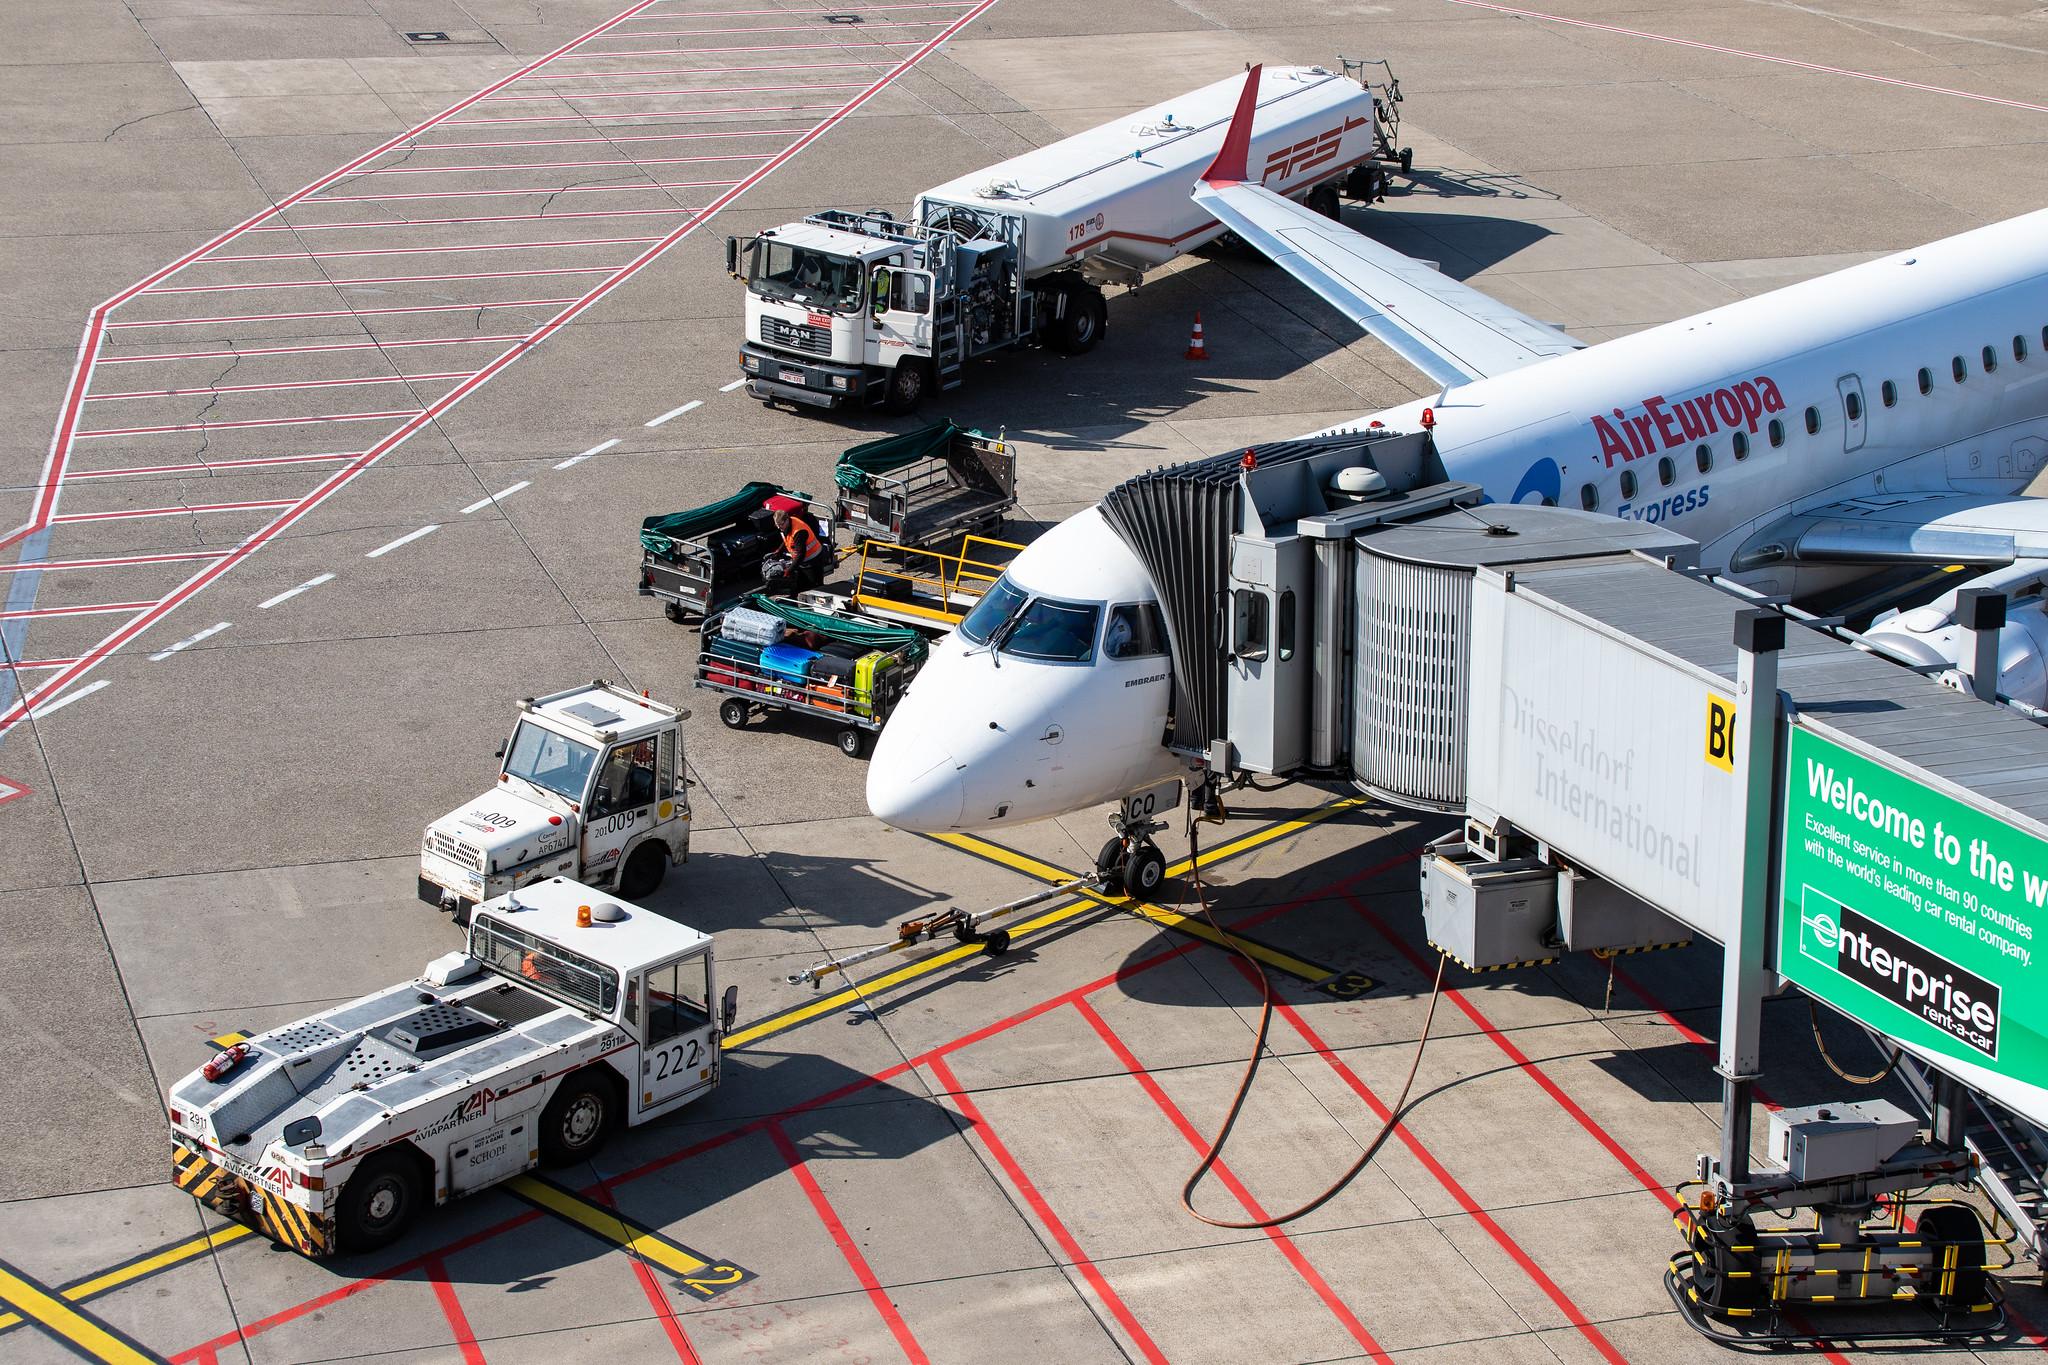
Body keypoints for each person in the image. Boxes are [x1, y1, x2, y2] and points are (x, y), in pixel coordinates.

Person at [766, 507, 827, 592]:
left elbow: (801, 554)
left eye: (781, 524)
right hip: (803, 561)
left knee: (815, 587)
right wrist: (779, 550)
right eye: (777, 525)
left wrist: (789, 570)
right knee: (800, 586)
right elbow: (787, 539)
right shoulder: (786, 525)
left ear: (787, 519)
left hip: (813, 561)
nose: (779, 527)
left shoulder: (799, 532)